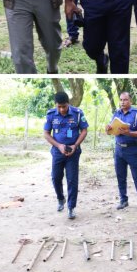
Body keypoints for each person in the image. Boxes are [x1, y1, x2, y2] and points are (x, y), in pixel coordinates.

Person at [43, 92, 89, 220]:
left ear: (68, 103)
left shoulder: (78, 113)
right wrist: (59, 146)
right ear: (56, 105)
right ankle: (60, 198)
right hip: (58, 151)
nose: (62, 109)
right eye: (59, 107)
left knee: (72, 179)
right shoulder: (51, 114)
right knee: (56, 177)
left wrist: (75, 145)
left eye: (64, 106)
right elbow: (46, 133)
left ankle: (71, 207)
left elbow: (84, 130)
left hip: (73, 152)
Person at [105, 92, 137, 212]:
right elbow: (110, 131)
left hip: (132, 149)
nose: (123, 102)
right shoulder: (117, 113)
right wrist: (108, 129)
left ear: (130, 101)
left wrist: (128, 133)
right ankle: (123, 200)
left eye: (125, 100)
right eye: (121, 100)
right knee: (120, 175)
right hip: (119, 149)